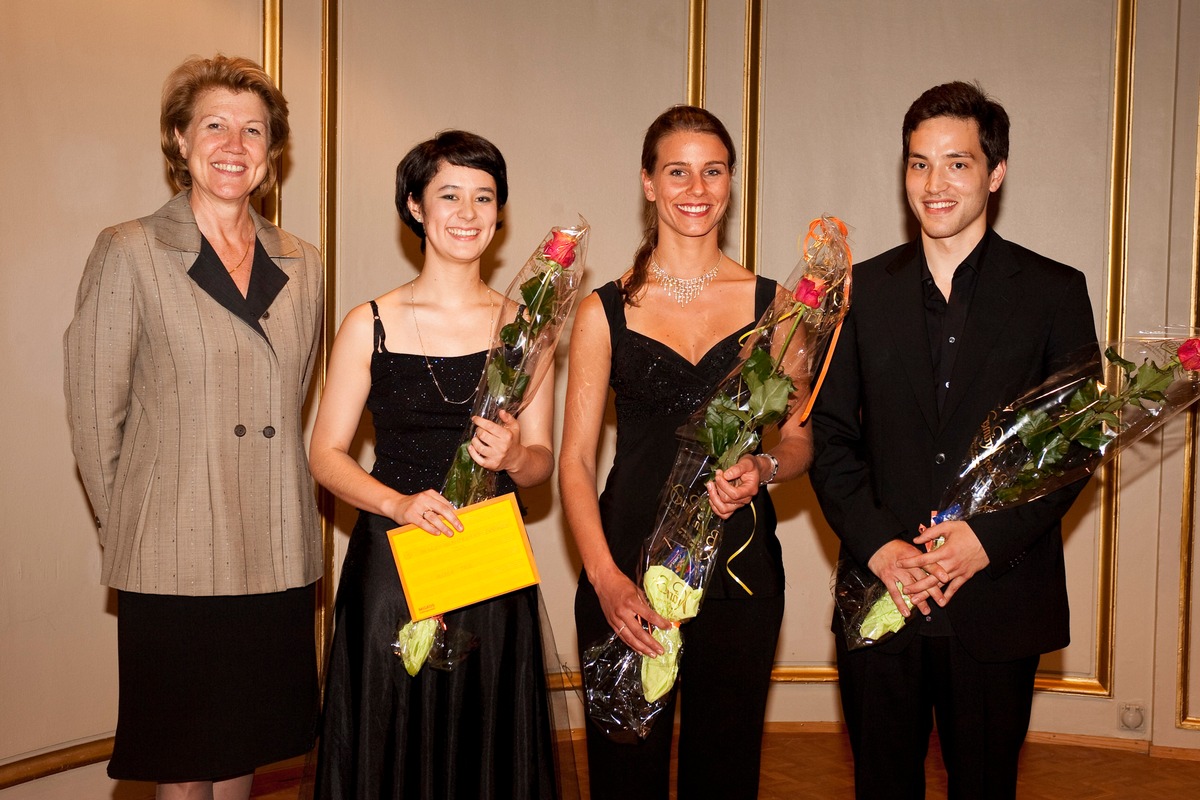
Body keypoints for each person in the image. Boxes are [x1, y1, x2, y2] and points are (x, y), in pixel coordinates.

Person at [809, 81, 1099, 799]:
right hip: (881, 593)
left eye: (956, 163)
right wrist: (880, 546)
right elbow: (832, 437)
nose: (934, 184)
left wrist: (986, 539)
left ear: (995, 173)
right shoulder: (858, 290)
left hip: (998, 597)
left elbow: (1072, 447)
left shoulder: (1054, 291)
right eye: (917, 164)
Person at [64, 55, 323, 799]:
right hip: (171, 553)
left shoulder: (303, 262)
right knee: (181, 766)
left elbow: (292, 396)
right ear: (179, 140)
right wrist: (141, 528)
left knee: (246, 745)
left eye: (253, 130)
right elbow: (93, 416)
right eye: (214, 125)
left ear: (272, 153)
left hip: (272, 546)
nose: (233, 144)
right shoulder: (131, 250)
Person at [559, 105, 812, 800]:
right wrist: (607, 580)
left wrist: (765, 467)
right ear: (647, 182)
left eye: (713, 171)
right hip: (628, 568)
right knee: (625, 773)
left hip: (739, 568)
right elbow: (574, 463)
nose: (695, 189)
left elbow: (799, 437)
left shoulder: (777, 305)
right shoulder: (602, 311)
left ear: (731, 182)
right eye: (677, 171)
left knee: (724, 771)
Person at [311, 130, 560, 799]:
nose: (468, 212)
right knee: (389, 741)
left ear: (500, 214)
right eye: (450, 194)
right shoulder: (370, 322)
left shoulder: (526, 330)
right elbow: (324, 454)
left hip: (488, 568)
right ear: (416, 207)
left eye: (484, 197)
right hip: (392, 564)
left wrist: (516, 456)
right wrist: (396, 505)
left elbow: (541, 464)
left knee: (483, 745)